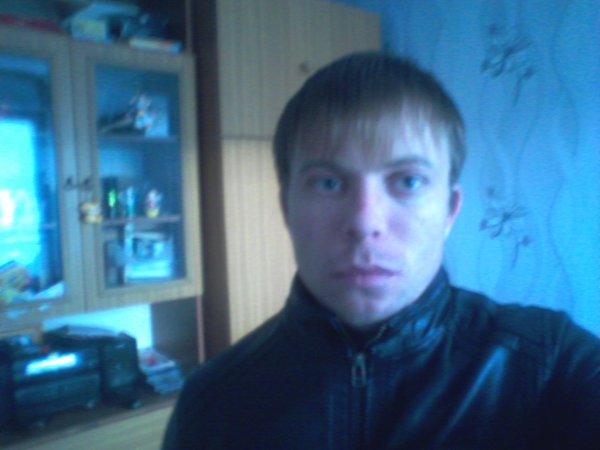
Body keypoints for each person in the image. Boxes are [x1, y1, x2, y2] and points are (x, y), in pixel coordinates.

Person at [163, 52, 600, 449]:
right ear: (287, 209)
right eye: (328, 183)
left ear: (449, 211)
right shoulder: (213, 402)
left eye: (408, 181)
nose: (364, 222)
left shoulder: (550, 365)